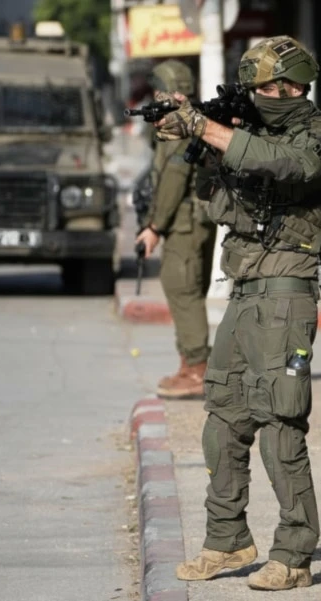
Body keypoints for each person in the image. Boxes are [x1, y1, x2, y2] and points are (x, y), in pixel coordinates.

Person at [153, 36, 321, 591]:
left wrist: (210, 128)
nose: (268, 95)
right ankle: (227, 539)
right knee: (223, 420)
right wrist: (204, 142)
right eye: (260, 88)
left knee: (280, 426)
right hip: (243, 291)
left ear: (295, 85)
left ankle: (294, 554)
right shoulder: (252, 134)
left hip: (286, 293)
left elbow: (290, 165)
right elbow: (215, 199)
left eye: (274, 86)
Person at [135, 59, 218, 400]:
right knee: (188, 291)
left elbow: (172, 179)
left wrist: (154, 227)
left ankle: (197, 369)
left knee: (182, 291)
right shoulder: (190, 120)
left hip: (184, 223)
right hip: (192, 221)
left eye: (158, 91)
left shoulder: (180, 128)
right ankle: (189, 364)